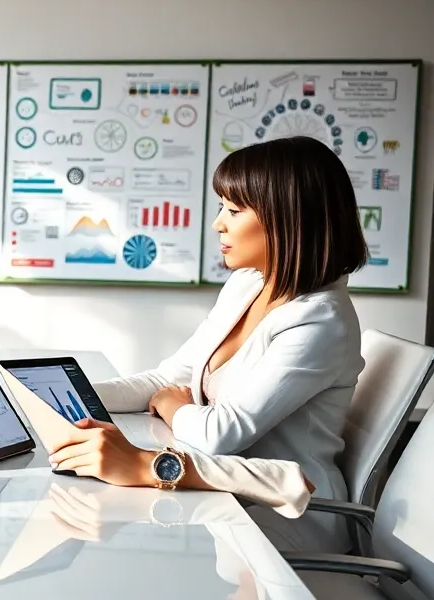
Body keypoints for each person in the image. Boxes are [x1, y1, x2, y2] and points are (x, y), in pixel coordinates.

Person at [90, 135, 368, 551]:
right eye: (222, 207)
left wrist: (174, 406)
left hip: (285, 517)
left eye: (234, 210)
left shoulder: (321, 321)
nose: (219, 223)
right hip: (224, 492)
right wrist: (77, 397)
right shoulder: (247, 285)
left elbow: (222, 433)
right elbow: (169, 377)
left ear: (289, 219)